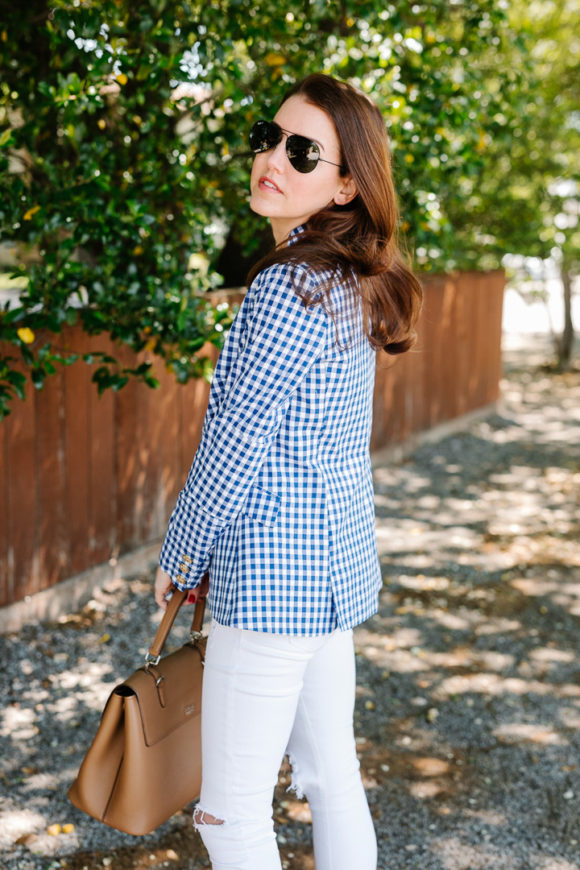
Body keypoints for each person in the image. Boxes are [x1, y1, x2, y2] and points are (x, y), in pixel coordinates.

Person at [154, 73, 423, 870]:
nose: (273, 158)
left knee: (228, 816)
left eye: (302, 150)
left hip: (275, 582)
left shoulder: (288, 287)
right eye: (268, 138)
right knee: (330, 774)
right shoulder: (346, 280)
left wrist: (180, 555)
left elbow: (233, 446)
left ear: (346, 182)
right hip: (329, 577)